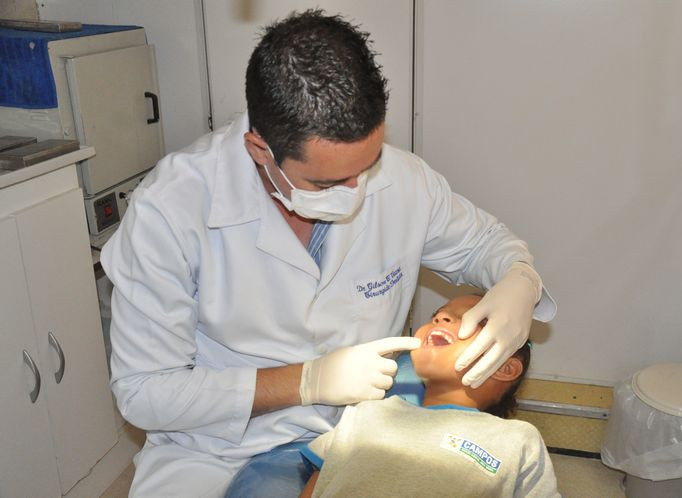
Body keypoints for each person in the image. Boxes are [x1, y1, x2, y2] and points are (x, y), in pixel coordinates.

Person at [101, 9, 555, 497]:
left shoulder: (405, 181)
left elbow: (490, 245)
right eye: (328, 181)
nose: (358, 189)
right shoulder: (170, 209)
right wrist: (307, 381)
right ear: (260, 149)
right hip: (215, 445)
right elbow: (146, 393)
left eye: (369, 163)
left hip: (365, 426)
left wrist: (519, 280)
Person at [297, 294, 560, 497]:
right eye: (437, 314)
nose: (441, 317)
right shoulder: (366, 412)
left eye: (470, 318)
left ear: (505, 367)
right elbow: (320, 482)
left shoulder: (517, 439)